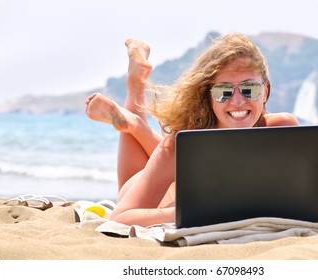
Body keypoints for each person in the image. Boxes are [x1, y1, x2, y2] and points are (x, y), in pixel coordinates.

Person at [85, 33, 299, 227]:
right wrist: (184, 212)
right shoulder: (178, 146)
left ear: (266, 91)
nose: (237, 101)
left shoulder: (284, 129)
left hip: (186, 161)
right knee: (178, 154)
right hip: (157, 194)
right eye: (224, 91)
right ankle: (135, 88)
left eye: (249, 89)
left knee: (187, 158)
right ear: (208, 96)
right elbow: (121, 218)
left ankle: (137, 124)